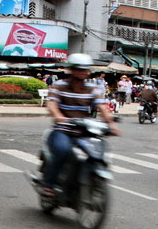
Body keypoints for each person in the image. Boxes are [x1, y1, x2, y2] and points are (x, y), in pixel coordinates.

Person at [42, 53, 119, 196]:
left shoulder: (92, 88)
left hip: (84, 131)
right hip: (63, 130)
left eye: (85, 69)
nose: (82, 72)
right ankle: (49, 185)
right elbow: (52, 104)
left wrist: (110, 123)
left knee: (97, 152)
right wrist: (59, 116)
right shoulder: (59, 86)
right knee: (62, 150)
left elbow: (101, 107)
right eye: (79, 69)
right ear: (71, 70)